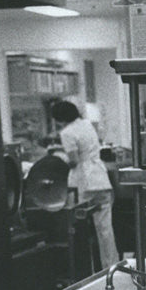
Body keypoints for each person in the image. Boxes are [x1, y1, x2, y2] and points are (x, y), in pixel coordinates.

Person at [51, 100, 120, 269]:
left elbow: (74, 160)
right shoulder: (87, 124)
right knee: (105, 229)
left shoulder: (67, 132)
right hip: (101, 178)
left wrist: (60, 159)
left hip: (84, 182)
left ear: (59, 118)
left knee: (79, 229)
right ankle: (111, 266)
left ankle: (84, 269)